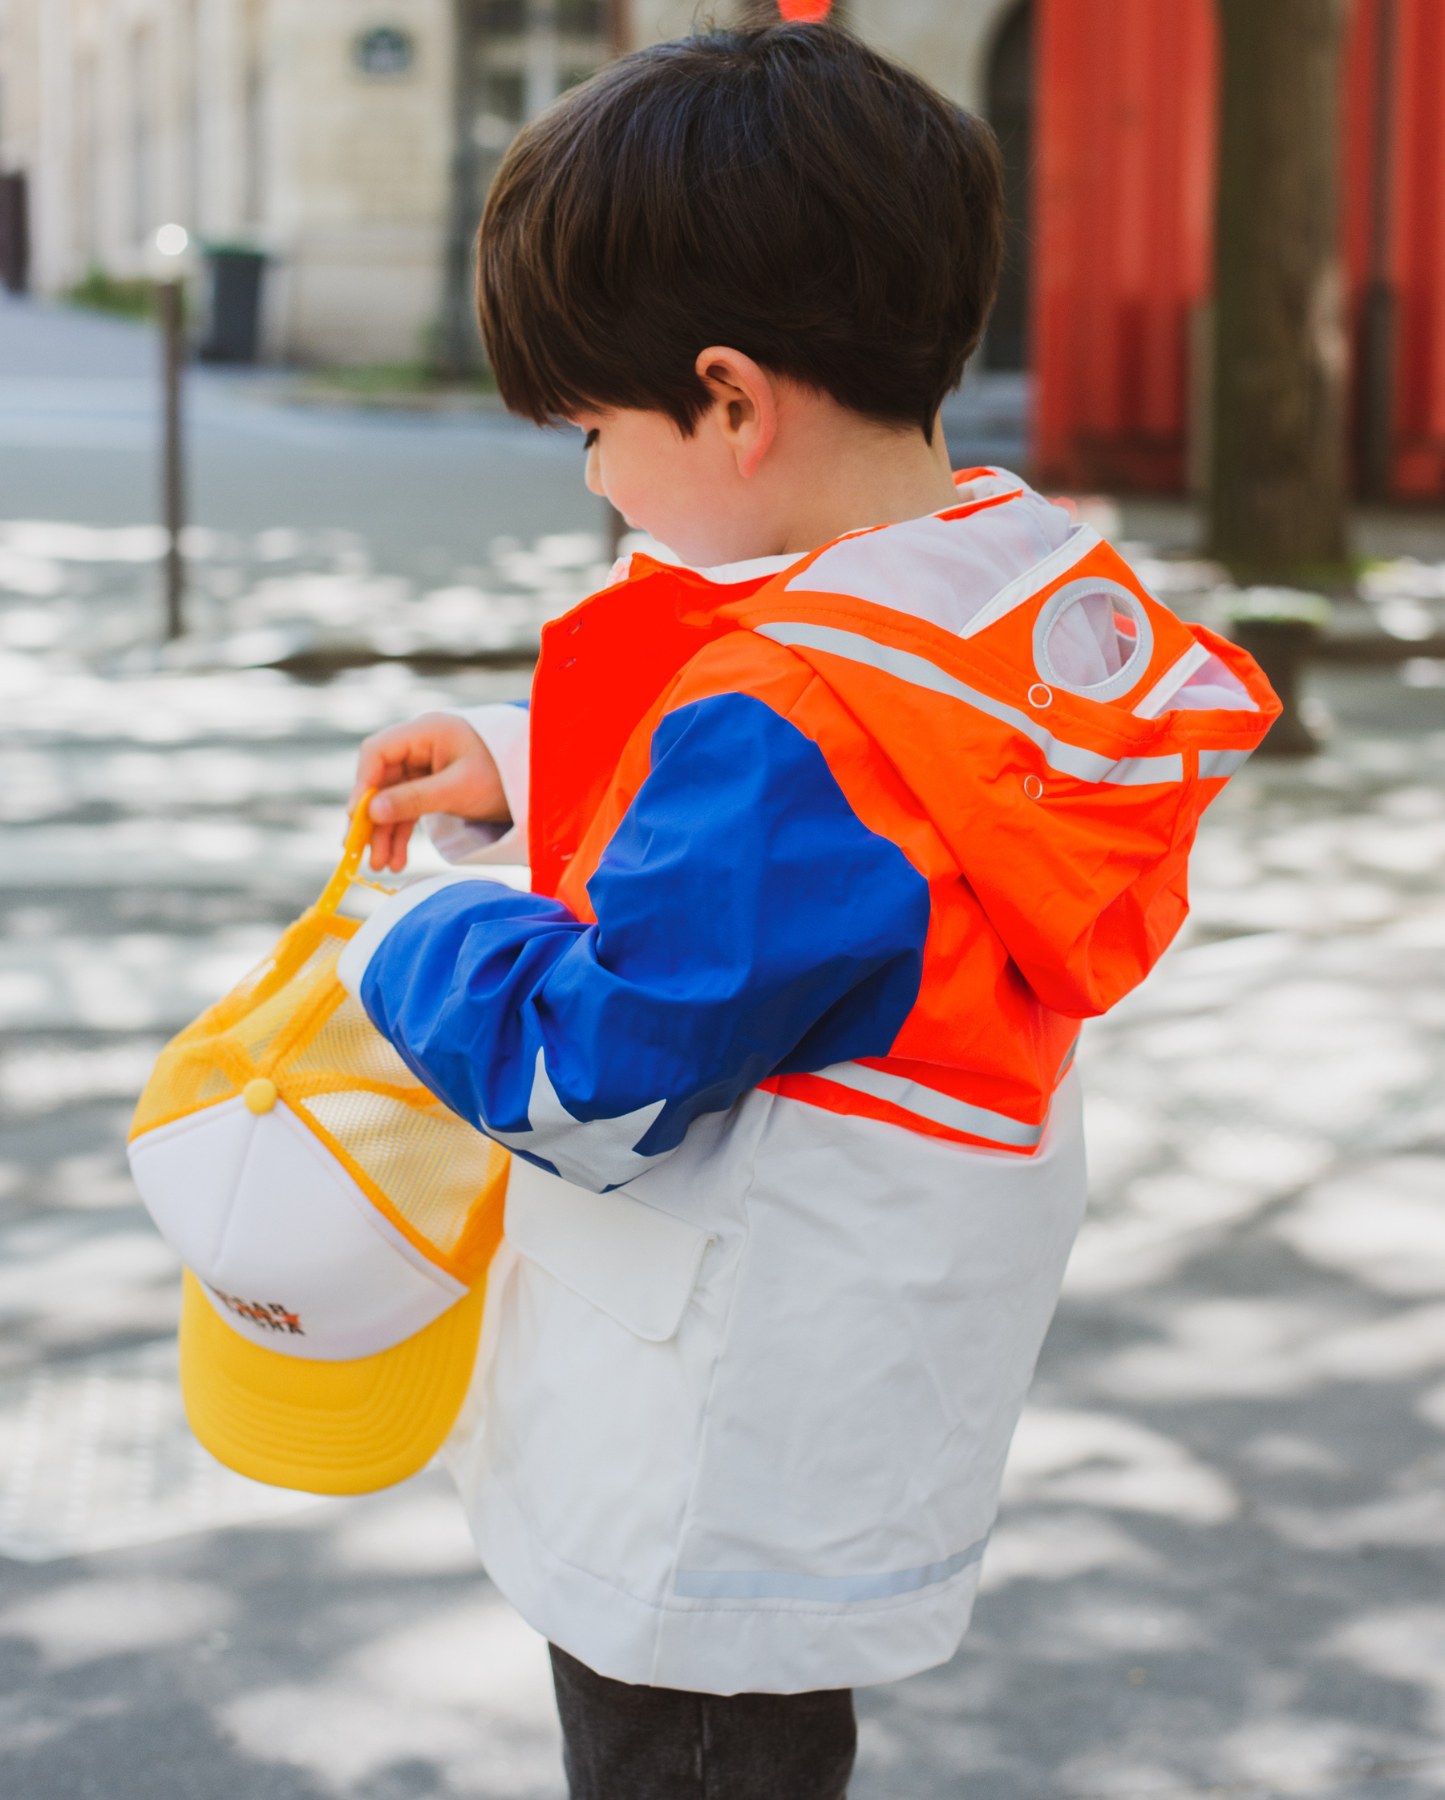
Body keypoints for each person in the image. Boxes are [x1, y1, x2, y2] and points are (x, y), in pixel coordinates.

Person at [340, 23, 1277, 1798]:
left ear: (734, 401)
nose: (600, 480)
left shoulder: (798, 727)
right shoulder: (998, 596)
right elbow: (840, 887)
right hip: (855, 1380)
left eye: (597, 434)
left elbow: (596, 1078)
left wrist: (418, 934)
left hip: (714, 1446)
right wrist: (534, 787)